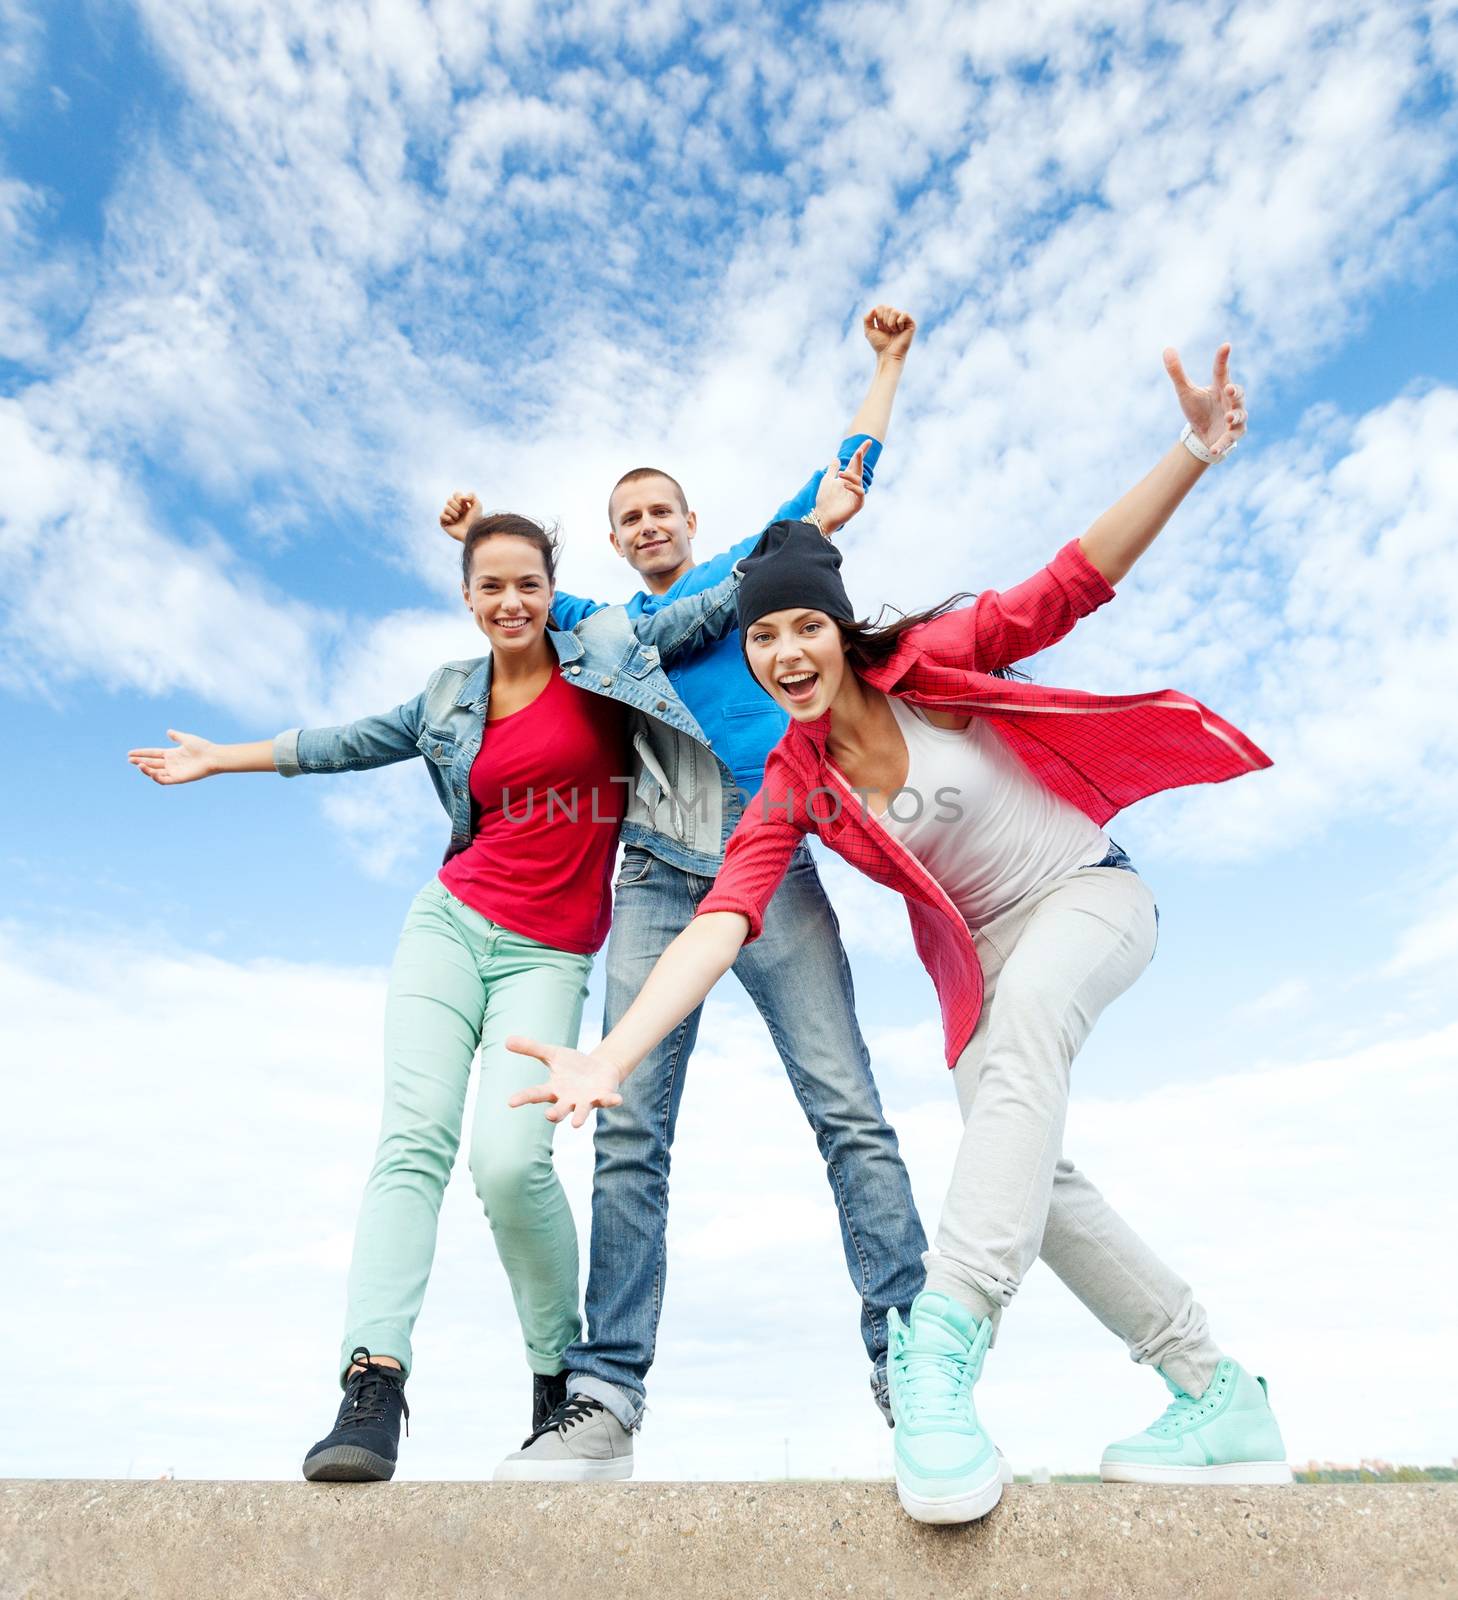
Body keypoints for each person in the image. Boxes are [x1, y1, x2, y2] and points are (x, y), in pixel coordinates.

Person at [507, 345, 1294, 1522]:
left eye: (801, 633)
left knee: (1018, 1052)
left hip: (1088, 895)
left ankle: (937, 1350)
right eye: (763, 641)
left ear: (836, 627)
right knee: (1026, 1167)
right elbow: (724, 917)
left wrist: (1192, 450)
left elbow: (1068, 583)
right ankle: (1215, 1389)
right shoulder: (792, 773)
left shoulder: (936, 661)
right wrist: (612, 1056)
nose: (782, 655)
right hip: (988, 965)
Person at [124, 498, 801, 1482]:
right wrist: (221, 757)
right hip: (448, 926)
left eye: (530, 582)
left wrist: (802, 532)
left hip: (549, 952)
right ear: (468, 597)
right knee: (412, 1144)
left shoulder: (606, 654)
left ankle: (554, 1379)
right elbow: (349, 740)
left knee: (508, 1160)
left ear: (550, 589)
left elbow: (704, 610)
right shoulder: (449, 693)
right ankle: (374, 1383)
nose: (513, 599)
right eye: (493, 585)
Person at [441, 308, 932, 1482]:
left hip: (771, 855)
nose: (648, 523)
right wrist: (465, 534)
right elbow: (509, 599)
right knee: (626, 1129)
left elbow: (841, 481)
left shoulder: (745, 573)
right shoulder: (596, 625)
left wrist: (885, 368)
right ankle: (604, 1396)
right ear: (614, 542)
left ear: (692, 521)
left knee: (846, 1107)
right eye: (629, 518)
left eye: (662, 508)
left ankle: (914, 1361)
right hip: (658, 873)